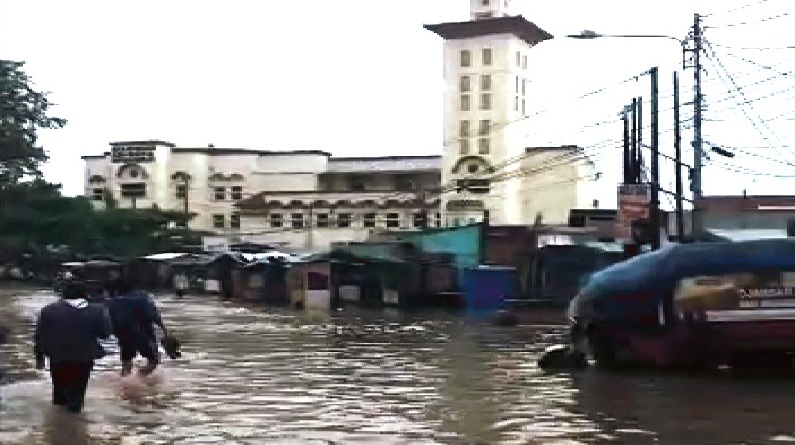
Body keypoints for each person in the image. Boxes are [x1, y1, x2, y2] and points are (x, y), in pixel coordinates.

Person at [34, 281, 112, 414]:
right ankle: (73, 426)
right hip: (83, 358)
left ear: (63, 295)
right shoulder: (98, 310)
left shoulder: (48, 310)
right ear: (85, 294)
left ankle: (56, 426)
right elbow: (105, 334)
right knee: (77, 394)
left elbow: (40, 336)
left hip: (57, 357)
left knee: (58, 393)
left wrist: (39, 358)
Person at [107, 276, 169, 377]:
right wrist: (164, 329)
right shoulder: (143, 297)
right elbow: (153, 315)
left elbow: (109, 320)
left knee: (126, 362)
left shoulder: (113, 302)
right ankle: (140, 376)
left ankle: (125, 382)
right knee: (154, 360)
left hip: (124, 335)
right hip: (143, 334)